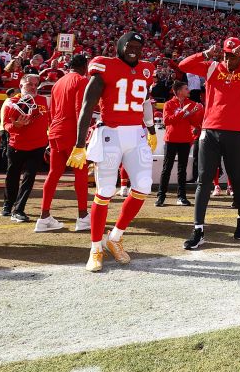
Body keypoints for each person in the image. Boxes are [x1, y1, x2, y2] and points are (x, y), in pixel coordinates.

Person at [66, 32, 158, 272]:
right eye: (129, 45)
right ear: (119, 46)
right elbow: (87, 106)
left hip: (136, 134)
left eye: (138, 46)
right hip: (110, 134)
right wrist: (79, 144)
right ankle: (95, 247)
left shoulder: (147, 69)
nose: (133, 50)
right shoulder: (104, 65)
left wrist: (151, 129)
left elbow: (146, 101)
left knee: (144, 186)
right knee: (105, 190)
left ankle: (115, 237)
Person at [176, 36, 240, 249]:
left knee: (238, 180)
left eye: (233, 55)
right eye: (226, 54)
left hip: (238, 133)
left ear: (239, 54)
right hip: (210, 131)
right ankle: (198, 230)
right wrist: (205, 53)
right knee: (203, 181)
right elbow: (182, 65)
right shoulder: (212, 66)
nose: (229, 59)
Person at [37, 54, 90, 231]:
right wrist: (82, 137)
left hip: (55, 131)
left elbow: (52, 111)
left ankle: (44, 217)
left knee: (53, 174)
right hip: (70, 132)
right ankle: (83, 216)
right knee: (81, 172)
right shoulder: (81, 80)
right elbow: (79, 110)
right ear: (84, 66)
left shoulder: (58, 82)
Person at [0, 74, 50, 222]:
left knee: (29, 178)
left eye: (36, 84)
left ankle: (19, 209)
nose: (33, 87)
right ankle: (7, 205)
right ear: (21, 86)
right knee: (12, 176)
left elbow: (50, 119)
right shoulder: (11, 102)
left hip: (38, 146)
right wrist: (15, 125)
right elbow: (6, 125)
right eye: (30, 84)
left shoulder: (43, 100)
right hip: (16, 145)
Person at [158, 79, 202, 207]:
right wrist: (184, 112)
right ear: (178, 92)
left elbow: (194, 123)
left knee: (182, 170)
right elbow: (167, 121)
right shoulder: (169, 104)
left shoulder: (192, 103)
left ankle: (181, 197)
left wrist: (195, 113)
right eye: (186, 89)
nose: (189, 91)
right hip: (171, 139)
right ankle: (161, 197)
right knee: (167, 169)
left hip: (185, 140)